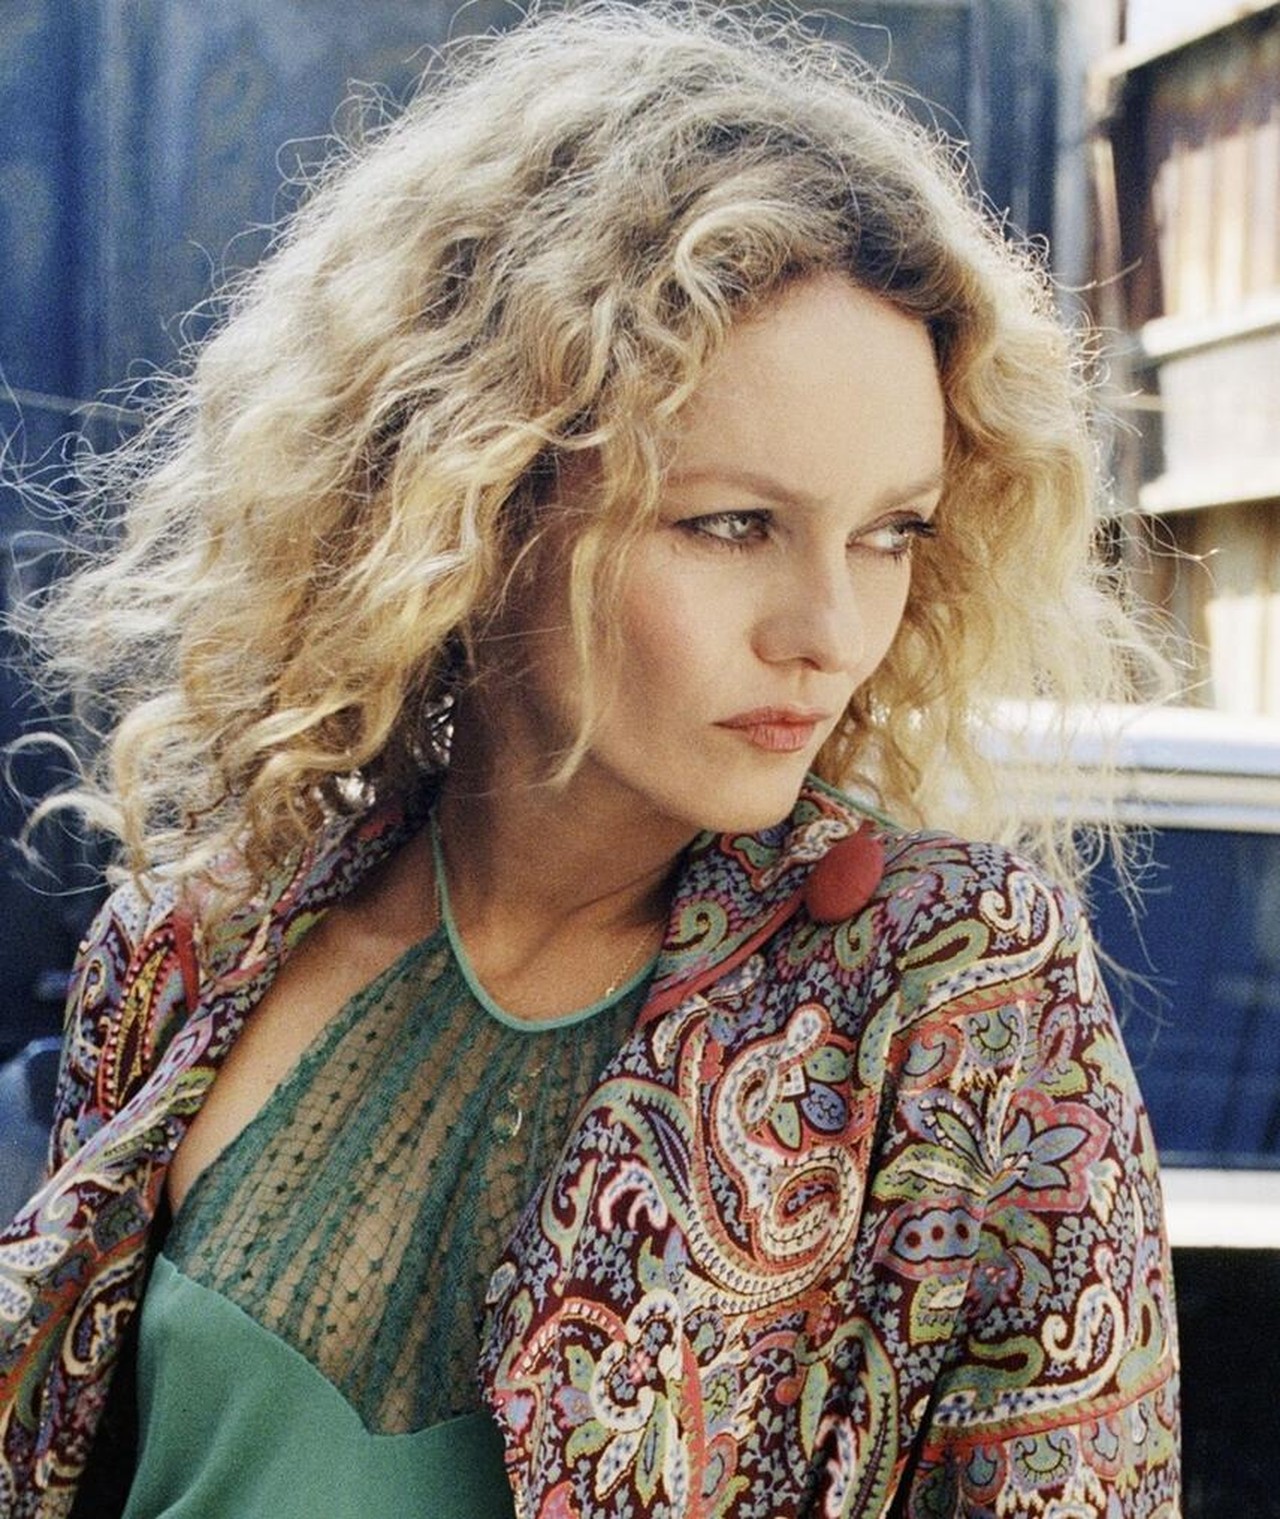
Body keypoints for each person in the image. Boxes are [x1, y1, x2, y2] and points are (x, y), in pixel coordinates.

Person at [0, 5, 1179, 1516]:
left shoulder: (951, 991)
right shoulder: (191, 948)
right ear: (475, 499)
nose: (829, 632)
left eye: (892, 533)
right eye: (733, 525)